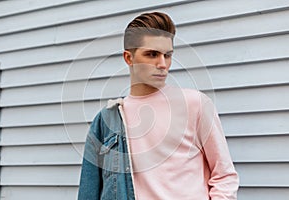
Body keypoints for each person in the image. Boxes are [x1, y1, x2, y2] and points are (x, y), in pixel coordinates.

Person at [78, 12, 239, 200]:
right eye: (152, 54)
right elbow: (89, 191)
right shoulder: (107, 120)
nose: (162, 64)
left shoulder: (195, 105)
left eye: (168, 55)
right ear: (129, 58)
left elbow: (225, 175)